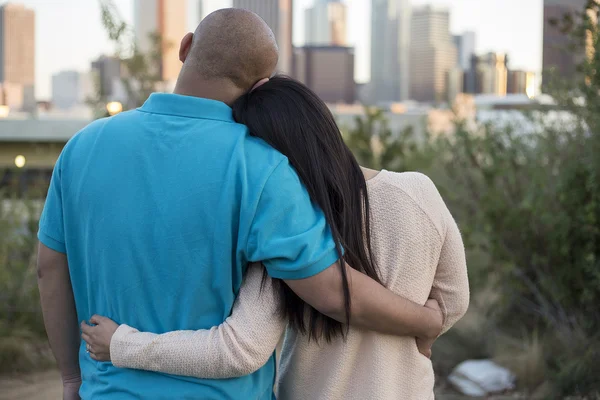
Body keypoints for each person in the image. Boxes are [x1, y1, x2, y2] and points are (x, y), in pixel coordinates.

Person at [36, 10, 443, 400]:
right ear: (260, 85)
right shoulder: (263, 168)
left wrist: (72, 378)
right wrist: (425, 320)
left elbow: (49, 268)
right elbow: (332, 293)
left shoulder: (83, 147)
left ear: (185, 47)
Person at [81, 77, 470, 400]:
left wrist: (123, 345)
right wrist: (425, 324)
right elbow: (454, 302)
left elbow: (239, 350)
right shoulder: (418, 192)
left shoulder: (287, 228)